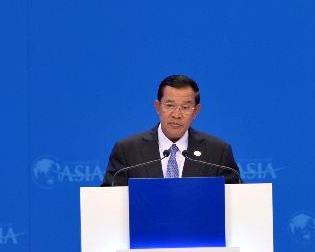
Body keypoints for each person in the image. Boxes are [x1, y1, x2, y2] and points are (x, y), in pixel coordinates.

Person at [102, 75, 242, 186]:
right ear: (158, 107)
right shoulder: (127, 151)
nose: (176, 114)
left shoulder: (217, 152)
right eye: (169, 105)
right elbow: (109, 203)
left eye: (185, 107)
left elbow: (236, 201)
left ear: (196, 111)